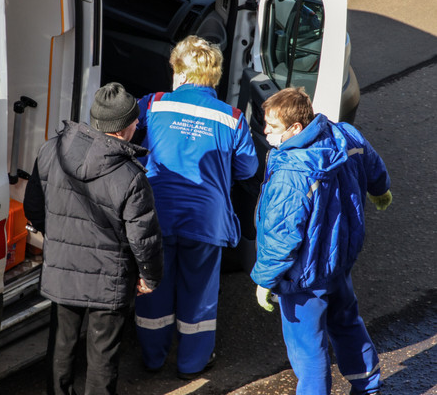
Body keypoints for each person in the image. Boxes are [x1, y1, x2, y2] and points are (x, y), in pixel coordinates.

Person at [23, 82, 164, 395]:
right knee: (103, 356)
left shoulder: (52, 150)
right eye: (135, 121)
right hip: (109, 279)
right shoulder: (131, 177)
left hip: (63, 270)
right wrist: (150, 277)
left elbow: (33, 207)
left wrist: (59, 237)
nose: (138, 125)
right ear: (124, 128)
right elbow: (144, 238)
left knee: (61, 345)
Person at [251, 87, 392, 395]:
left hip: (303, 277)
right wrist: (381, 190)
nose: (265, 132)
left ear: (295, 128)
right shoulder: (346, 136)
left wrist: (265, 279)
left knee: (308, 348)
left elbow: (282, 235)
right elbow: (372, 163)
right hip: (338, 260)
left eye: (272, 126)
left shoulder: (291, 173)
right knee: (346, 322)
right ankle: (368, 385)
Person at [133, 35, 258, 379]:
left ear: (182, 73)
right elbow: (247, 168)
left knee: (153, 284)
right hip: (206, 221)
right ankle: (192, 363)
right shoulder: (232, 118)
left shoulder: (154, 103)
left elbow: (126, 134)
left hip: (156, 215)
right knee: (200, 292)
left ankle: (153, 357)